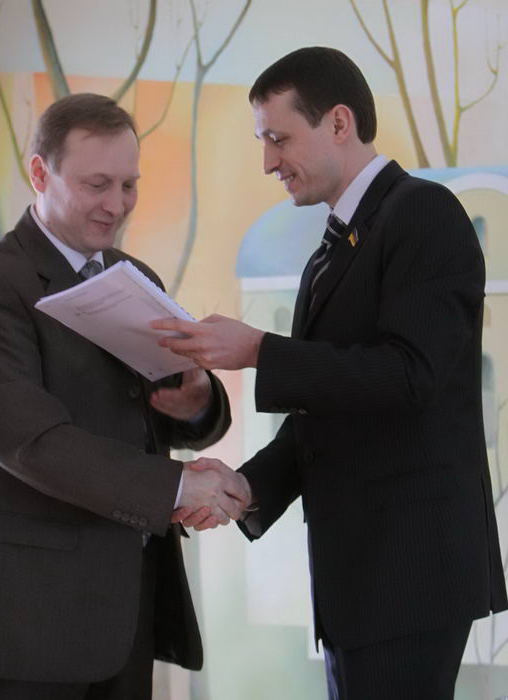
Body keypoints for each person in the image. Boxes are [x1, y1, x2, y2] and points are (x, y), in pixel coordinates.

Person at [152, 47, 508, 699]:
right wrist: (247, 486)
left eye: (278, 138)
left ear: (339, 123)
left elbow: (410, 375)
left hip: (408, 574)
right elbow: (331, 409)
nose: (268, 162)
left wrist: (259, 349)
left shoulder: (423, 213)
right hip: (360, 579)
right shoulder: (334, 247)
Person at [0, 93, 248, 700]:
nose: (117, 204)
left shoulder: (135, 276)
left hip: (125, 612)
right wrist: (178, 487)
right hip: (22, 621)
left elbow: (161, 417)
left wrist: (195, 402)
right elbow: (29, 442)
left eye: (129, 185)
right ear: (40, 173)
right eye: (97, 184)